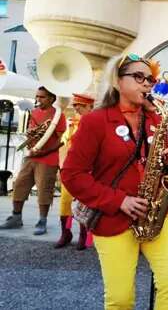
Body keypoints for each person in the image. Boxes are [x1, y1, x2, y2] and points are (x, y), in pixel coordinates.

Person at [61, 53, 168, 309]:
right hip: (114, 216)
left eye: (150, 79)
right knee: (120, 298)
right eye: (138, 77)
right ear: (117, 81)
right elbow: (72, 175)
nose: (147, 84)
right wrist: (119, 200)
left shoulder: (155, 119)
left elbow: (163, 165)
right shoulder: (95, 121)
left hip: (156, 212)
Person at [0, 86, 66, 235]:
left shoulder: (58, 115)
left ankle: (42, 221)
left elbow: (59, 140)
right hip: (32, 155)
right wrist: (31, 141)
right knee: (19, 184)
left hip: (48, 158)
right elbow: (32, 133)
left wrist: (43, 151)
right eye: (37, 96)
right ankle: (16, 217)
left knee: (44, 190)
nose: (38, 99)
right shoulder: (35, 112)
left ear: (51, 99)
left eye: (42, 97)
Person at [55, 92, 95, 249]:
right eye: (75, 105)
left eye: (80, 106)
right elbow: (64, 146)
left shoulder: (95, 123)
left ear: (89, 107)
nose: (76, 108)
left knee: (83, 203)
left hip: (88, 171)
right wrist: (62, 167)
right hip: (70, 170)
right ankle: (65, 233)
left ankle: (83, 235)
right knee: (65, 201)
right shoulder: (71, 124)